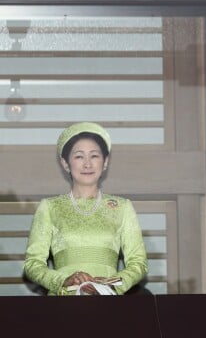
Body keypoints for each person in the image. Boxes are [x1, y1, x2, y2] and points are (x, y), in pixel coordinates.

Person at [23, 122, 148, 295]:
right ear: (65, 163)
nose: (87, 164)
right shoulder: (50, 207)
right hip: (61, 306)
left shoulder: (122, 207)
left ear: (105, 162)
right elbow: (33, 264)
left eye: (94, 156)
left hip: (108, 303)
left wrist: (108, 286)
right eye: (79, 156)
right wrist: (62, 281)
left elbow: (138, 263)